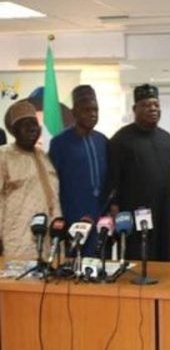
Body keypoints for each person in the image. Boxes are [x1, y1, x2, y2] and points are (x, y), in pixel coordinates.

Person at [108, 84, 170, 262]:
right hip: (135, 214)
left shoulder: (168, 139)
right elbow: (112, 180)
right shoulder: (120, 140)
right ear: (135, 109)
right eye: (146, 105)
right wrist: (115, 212)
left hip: (165, 214)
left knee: (166, 259)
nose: (153, 109)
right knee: (138, 260)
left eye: (156, 105)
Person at [49, 85, 108, 257]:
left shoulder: (102, 140)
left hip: (100, 216)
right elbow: (54, 184)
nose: (92, 114)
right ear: (74, 112)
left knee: (100, 264)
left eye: (95, 110)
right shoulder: (59, 143)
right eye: (86, 110)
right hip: (73, 215)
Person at [0, 100, 61, 259]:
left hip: (48, 240)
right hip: (18, 242)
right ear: (14, 130)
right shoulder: (4, 156)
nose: (32, 128)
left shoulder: (43, 156)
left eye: (34, 123)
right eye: (25, 124)